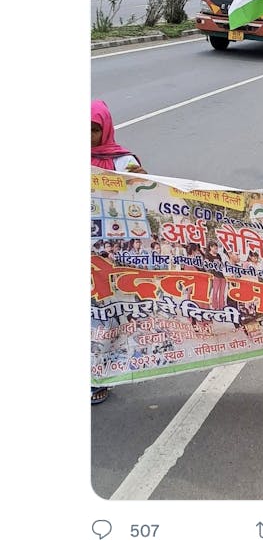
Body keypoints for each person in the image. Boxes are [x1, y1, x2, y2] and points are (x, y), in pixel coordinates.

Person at [90, 100, 145, 405]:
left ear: (106, 129)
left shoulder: (122, 161)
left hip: (110, 254)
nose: (89, 136)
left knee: (105, 314)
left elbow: (143, 195)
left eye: (95, 130)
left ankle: (100, 374)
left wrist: (143, 180)